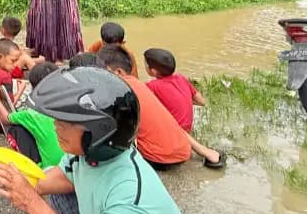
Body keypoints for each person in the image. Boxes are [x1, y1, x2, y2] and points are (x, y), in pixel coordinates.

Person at [0, 66, 188, 214]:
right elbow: (54, 179)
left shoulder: (129, 200)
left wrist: (30, 202)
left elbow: (34, 201)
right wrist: (21, 182)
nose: (56, 125)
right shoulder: (85, 154)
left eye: (67, 121)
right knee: (56, 194)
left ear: (100, 131)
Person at [97, 45, 226, 170]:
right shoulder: (140, 85)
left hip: (160, 159)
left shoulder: (123, 91)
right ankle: (207, 153)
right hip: (183, 150)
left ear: (118, 72)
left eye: (103, 71)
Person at [0, 61, 81, 214]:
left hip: (52, 172)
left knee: (17, 130)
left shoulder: (33, 113)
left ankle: (35, 177)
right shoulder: (73, 108)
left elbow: (4, 118)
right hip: (72, 175)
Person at [144, 48, 206, 133]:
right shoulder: (181, 78)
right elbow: (202, 102)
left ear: (153, 71)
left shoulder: (153, 85)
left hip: (173, 134)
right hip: (188, 130)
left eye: (145, 64)